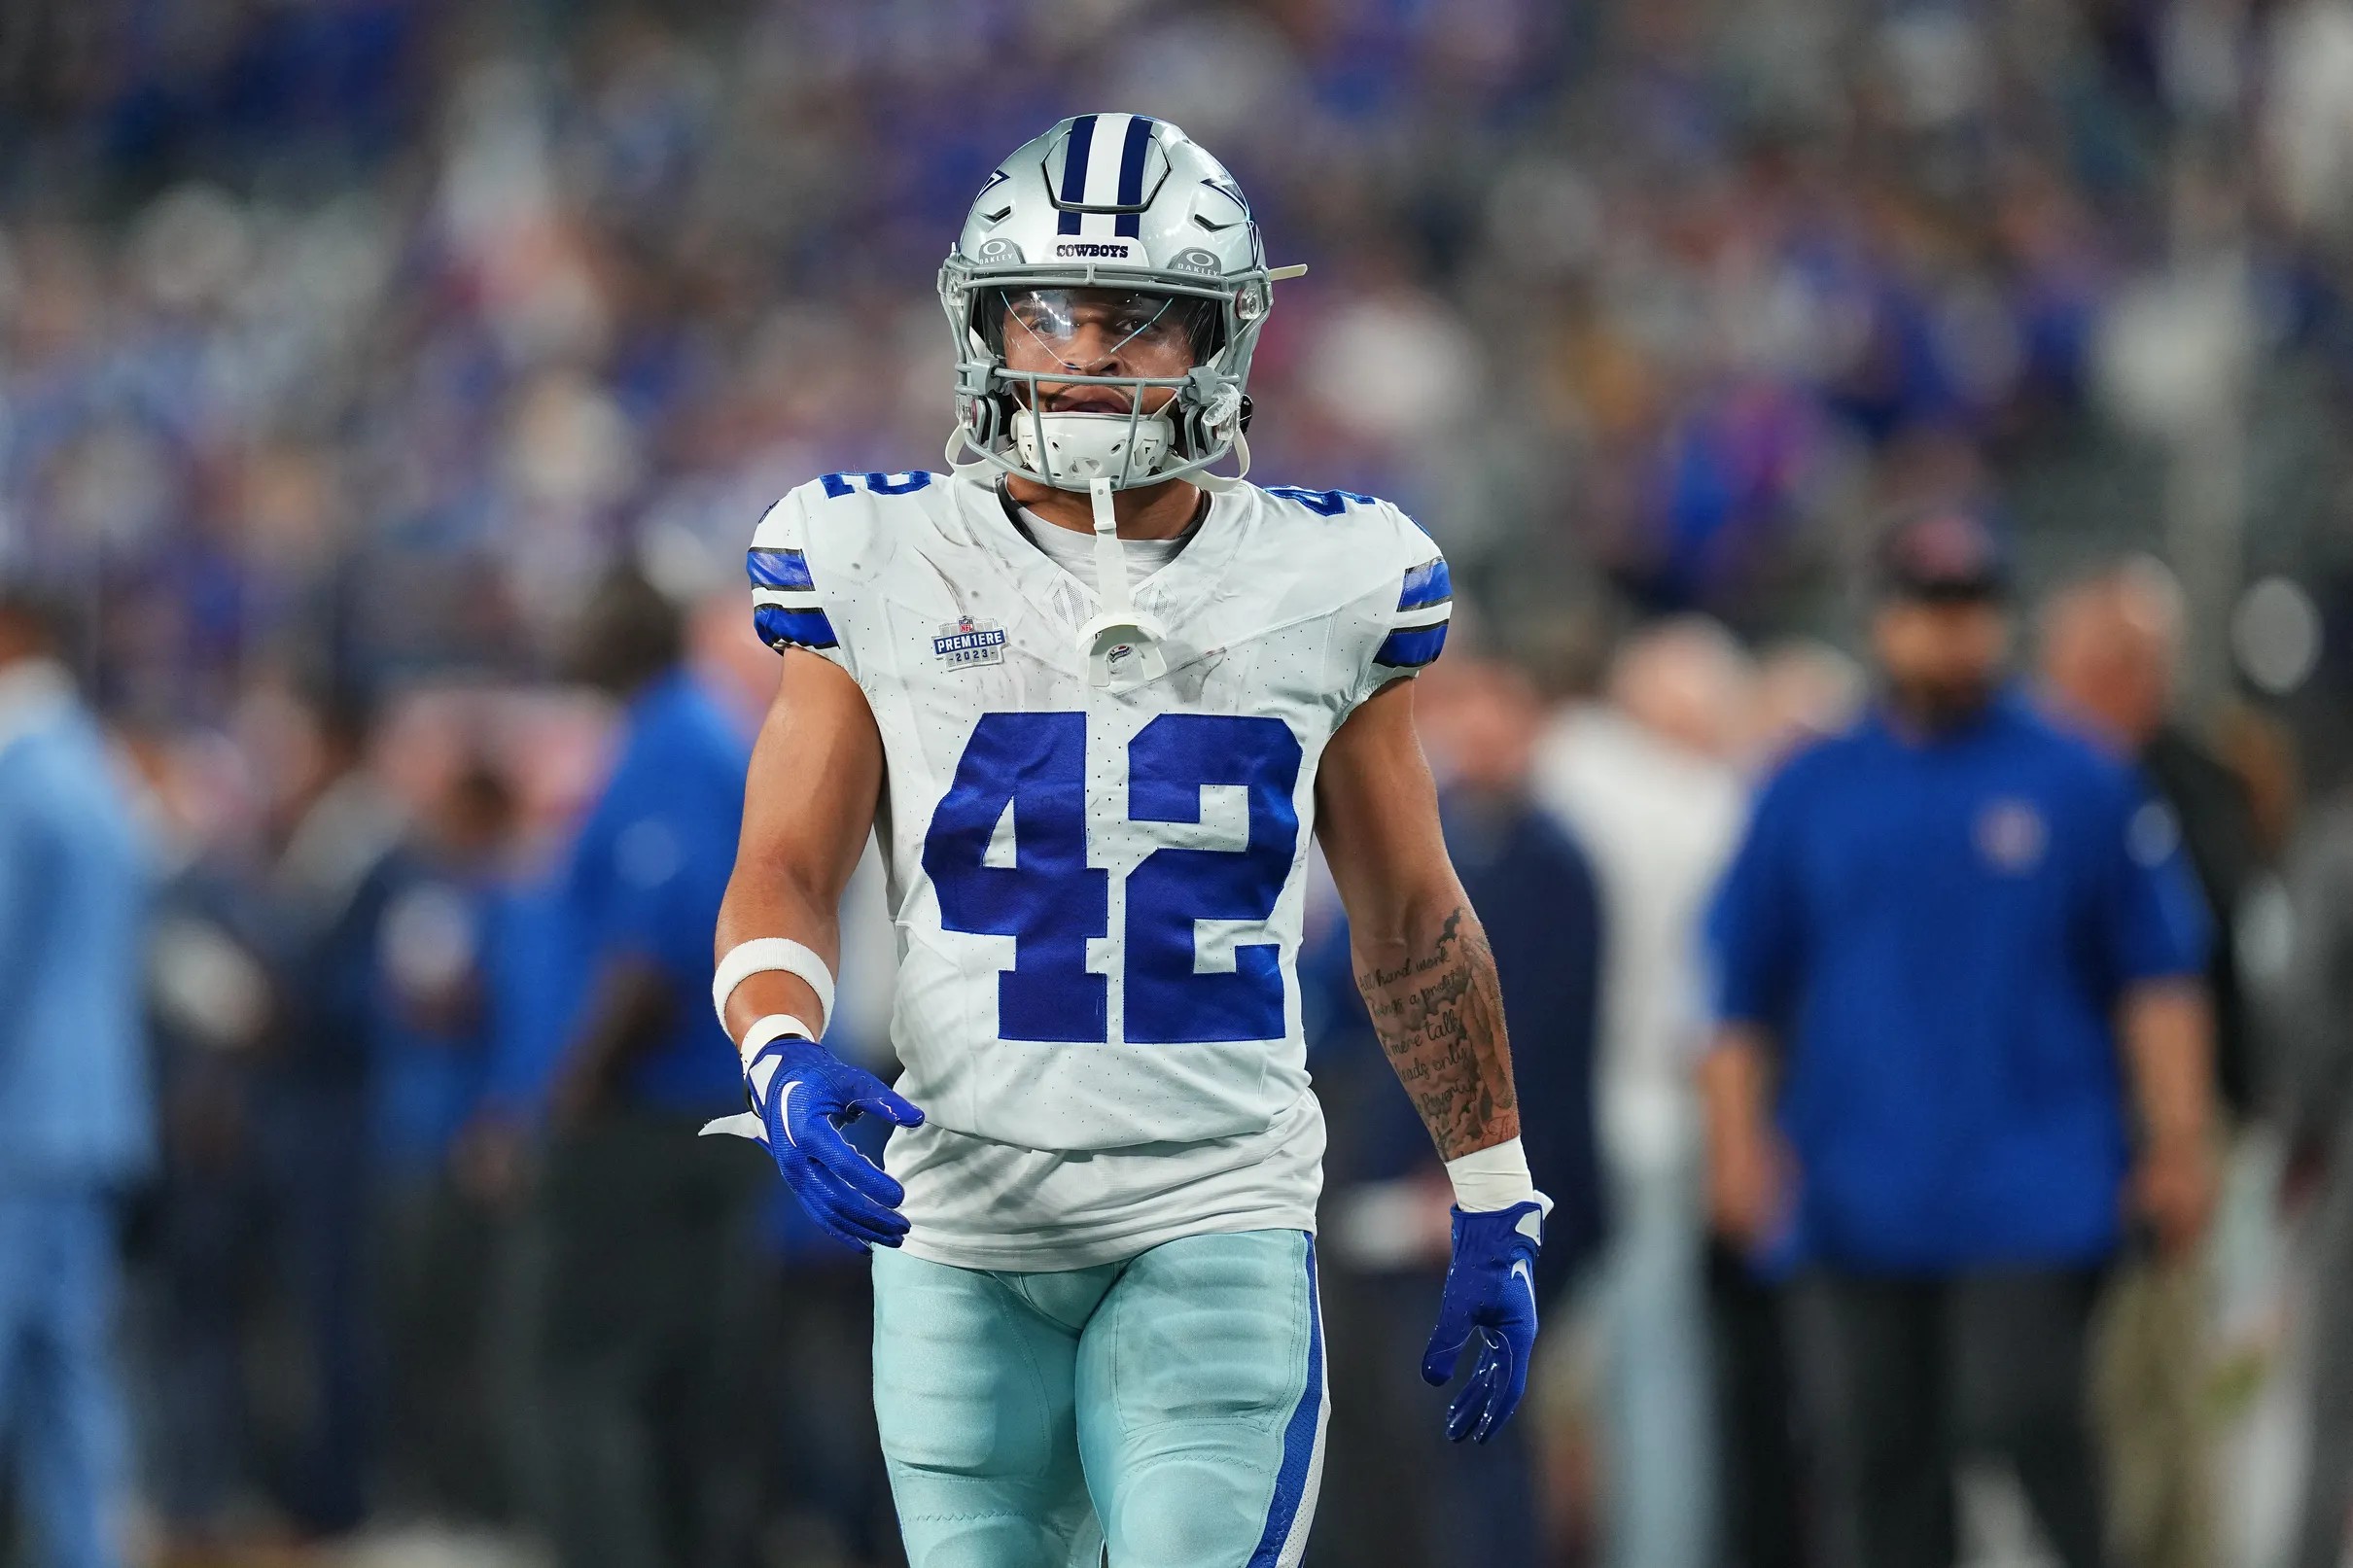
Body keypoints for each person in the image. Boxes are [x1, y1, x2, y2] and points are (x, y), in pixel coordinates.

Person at [709, 115, 1552, 1566]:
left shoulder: (1329, 575)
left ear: (1223, 338)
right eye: (1044, 308)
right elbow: (782, 866)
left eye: (1134, 316)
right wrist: (778, 1055)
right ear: (980, 318)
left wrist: (1494, 1190)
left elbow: (1415, 919)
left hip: (1212, 1204)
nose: (1083, 350)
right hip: (957, 1222)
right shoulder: (881, 558)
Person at [1698, 509, 2219, 1568]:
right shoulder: (1806, 788)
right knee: (1869, 1460)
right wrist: (1735, 1147)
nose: (1949, 633)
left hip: (2032, 1181)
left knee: (2023, 1417)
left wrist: (2176, 1140)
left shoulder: (2079, 778)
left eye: (1971, 607)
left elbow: (2157, 977)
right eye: (1927, 608)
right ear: (1879, 621)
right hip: (1851, 1188)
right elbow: (1734, 990)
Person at [1313, 656, 1605, 1568]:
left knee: (1472, 1443)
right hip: (1380, 1194)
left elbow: (1541, 1049)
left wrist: (1483, 1181)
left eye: (1495, 719)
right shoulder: (1403, 845)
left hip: (1469, 1193)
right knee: (1382, 1451)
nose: (1473, 742)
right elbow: (1338, 1014)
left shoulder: (1547, 865)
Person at [535, 570, 775, 1568]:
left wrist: (577, 1086)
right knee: (682, 1393)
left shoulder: (671, 742)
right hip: (706, 1112)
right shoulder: (688, 732)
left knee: (594, 1382)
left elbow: (658, 946)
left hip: (655, 1117)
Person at [2041, 559, 2265, 1568]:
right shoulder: (2030, 777)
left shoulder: (2190, 781)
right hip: (2045, 1122)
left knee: (2156, 1376)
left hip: (2155, 1120)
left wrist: (2193, 1132)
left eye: (2117, 662)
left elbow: (2209, 963)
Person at [1533, 617, 1751, 1568]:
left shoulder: (1572, 767)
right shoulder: (1719, 805)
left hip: (1543, 1112)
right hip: (1659, 1110)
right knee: (1655, 1371)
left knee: (1529, 1364)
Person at [0, 587, 154, 1568]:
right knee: (67, 1367)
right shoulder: (95, 766)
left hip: (17, 1119)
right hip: (90, 1115)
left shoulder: (19, 775)